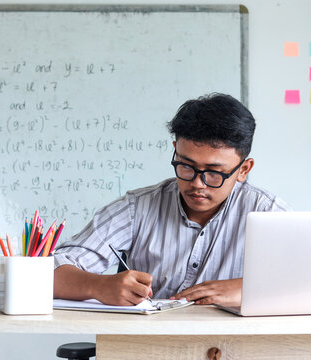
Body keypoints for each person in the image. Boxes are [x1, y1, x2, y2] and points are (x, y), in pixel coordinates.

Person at [53, 93, 291, 307]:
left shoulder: (267, 213)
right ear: (175, 149)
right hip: (147, 347)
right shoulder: (137, 208)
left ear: (243, 169)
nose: (197, 183)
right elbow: (46, 272)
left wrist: (249, 290)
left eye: (214, 173)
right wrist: (98, 286)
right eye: (186, 166)